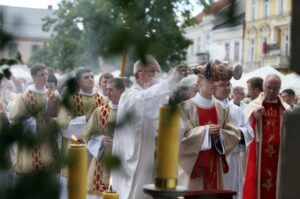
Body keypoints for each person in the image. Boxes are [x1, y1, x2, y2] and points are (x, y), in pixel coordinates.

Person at [111, 55, 187, 199]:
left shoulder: (161, 98)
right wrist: (170, 82)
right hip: (139, 168)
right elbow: (145, 102)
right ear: (137, 75)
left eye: (158, 72)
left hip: (161, 166)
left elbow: (180, 129)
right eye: (152, 71)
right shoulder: (128, 96)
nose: (156, 76)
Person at [178, 60, 241, 190]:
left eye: (215, 81)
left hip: (215, 164)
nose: (214, 84)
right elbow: (180, 138)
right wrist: (205, 132)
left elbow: (234, 133)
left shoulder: (222, 108)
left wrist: (220, 134)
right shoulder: (185, 107)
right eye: (210, 81)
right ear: (199, 83)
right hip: (195, 168)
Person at [243, 74, 291, 199]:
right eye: (269, 87)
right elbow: (243, 128)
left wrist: (289, 121)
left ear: (280, 88)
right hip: (259, 156)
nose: (272, 91)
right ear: (263, 86)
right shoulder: (253, 106)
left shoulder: (285, 109)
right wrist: (254, 118)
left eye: (275, 88)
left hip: (279, 157)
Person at [10, 63, 60, 173]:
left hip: (49, 138)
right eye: (41, 74)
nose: (45, 77)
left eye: (46, 74)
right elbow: (15, 120)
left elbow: (60, 116)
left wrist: (53, 119)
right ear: (33, 77)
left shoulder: (53, 95)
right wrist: (35, 119)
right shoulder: (26, 96)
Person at [82, 78, 125, 198]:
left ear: (122, 91)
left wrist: (117, 144)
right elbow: (86, 136)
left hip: (122, 160)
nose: (107, 93)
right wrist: (100, 140)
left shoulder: (129, 112)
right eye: (106, 89)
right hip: (101, 160)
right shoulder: (100, 112)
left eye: (111, 90)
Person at [213, 80, 254, 199]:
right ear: (213, 86)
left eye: (228, 85)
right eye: (222, 85)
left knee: (233, 193)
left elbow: (249, 131)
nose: (226, 88)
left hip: (234, 161)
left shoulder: (236, 109)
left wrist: (237, 133)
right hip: (216, 160)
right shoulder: (210, 106)